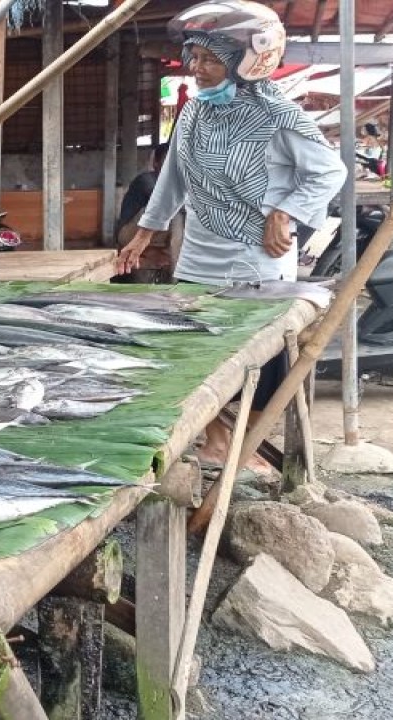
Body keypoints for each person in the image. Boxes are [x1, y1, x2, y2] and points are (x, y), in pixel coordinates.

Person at [117, 0, 347, 472]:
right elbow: (174, 178)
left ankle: (249, 444)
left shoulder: (282, 117)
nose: (196, 68)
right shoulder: (196, 112)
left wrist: (285, 212)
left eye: (209, 58)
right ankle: (217, 441)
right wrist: (146, 231)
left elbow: (329, 172)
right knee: (196, 349)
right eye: (194, 56)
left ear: (248, 60)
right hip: (197, 258)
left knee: (258, 361)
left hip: (257, 262)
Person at [113, 144, 178, 283]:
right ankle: (175, 269)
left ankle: (161, 255)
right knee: (175, 209)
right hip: (128, 234)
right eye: (168, 161)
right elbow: (162, 201)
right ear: (155, 163)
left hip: (154, 235)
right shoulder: (146, 179)